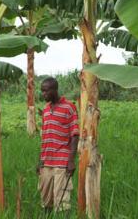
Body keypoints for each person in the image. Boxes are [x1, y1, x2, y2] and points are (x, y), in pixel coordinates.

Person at [38, 77, 79, 214]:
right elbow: (45, 137)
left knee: (61, 200)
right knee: (46, 200)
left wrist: (71, 160)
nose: (43, 94)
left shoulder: (69, 107)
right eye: (42, 91)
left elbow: (75, 135)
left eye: (45, 91)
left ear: (54, 90)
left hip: (62, 161)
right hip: (47, 161)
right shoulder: (46, 109)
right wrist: (41, 160)